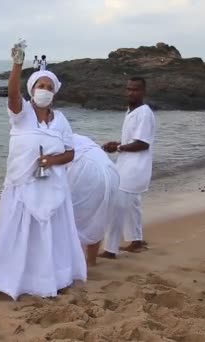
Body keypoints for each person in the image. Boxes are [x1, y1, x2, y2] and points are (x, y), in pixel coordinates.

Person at [0, 43, 87, 300]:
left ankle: (55, 278)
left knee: (53, 235)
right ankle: (12, 280)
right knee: (19, 233)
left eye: (49, 87)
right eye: (41, 86)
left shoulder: (60, 119)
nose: (45, 91)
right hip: (22, 186)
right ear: (32, 90)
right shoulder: (22, 114)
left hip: (52, 186)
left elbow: (70, 152)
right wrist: (17, 65)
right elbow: (12, 94)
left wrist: (51, 161)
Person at [101, 77, 156, 258]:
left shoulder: (144, 113)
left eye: (136, 89)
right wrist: (118, 143)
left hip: (134, 168)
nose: (131, 92)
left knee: (117, 206)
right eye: (129, 89)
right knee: (133, 205)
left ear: (143, 92)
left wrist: (117, 148)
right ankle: (136, 240)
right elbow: (132, 140)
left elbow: (142, 143)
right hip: (128, 164)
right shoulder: (131, 110)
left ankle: (110, 249)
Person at [67, 133, 120, 266]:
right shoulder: (80, 138)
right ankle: (91, 261)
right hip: (111, 172)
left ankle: (76, 263)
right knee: (98, 216)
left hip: (88, 172)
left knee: (73, 219)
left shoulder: (51, 141)